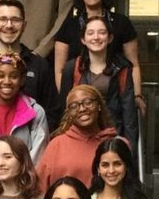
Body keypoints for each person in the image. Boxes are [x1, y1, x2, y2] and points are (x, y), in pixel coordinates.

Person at [53, 0, 145, 114]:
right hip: (79, 105)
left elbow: (134, 65)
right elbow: (59, 70)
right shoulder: (69, 26)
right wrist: (69, 101)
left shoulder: (122, 23)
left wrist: (137, 95)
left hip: (115, 102)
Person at [0, 0, 62, 127]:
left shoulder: (40, 66)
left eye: (15, 20)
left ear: (24, 25)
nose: (9, 25)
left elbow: (52, 114)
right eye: (3, 19)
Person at [59, 17, 139, 146]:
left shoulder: (122, 68)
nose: (96, 37)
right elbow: (64, 108)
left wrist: (130, 149)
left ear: (110, 38)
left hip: (111, 137)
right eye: (90, 33)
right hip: (79, 139)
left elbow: (129, 113)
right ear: (83, 40)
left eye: (102, 32)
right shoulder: (71, 67)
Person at [36, 85, 118, 190]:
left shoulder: (115, 144)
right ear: (69, 113)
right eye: (74, 106)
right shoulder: (56, 145)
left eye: (88, 102)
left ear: (99, 105)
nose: (82, 109)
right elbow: (40, 189)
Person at [0, 52, 48, 163]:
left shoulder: (35, 112)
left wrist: (22, 177)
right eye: (1, 75)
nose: (7, 81)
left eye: (13, 76)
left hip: (23, 178)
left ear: (22, 80)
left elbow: (39, 155)